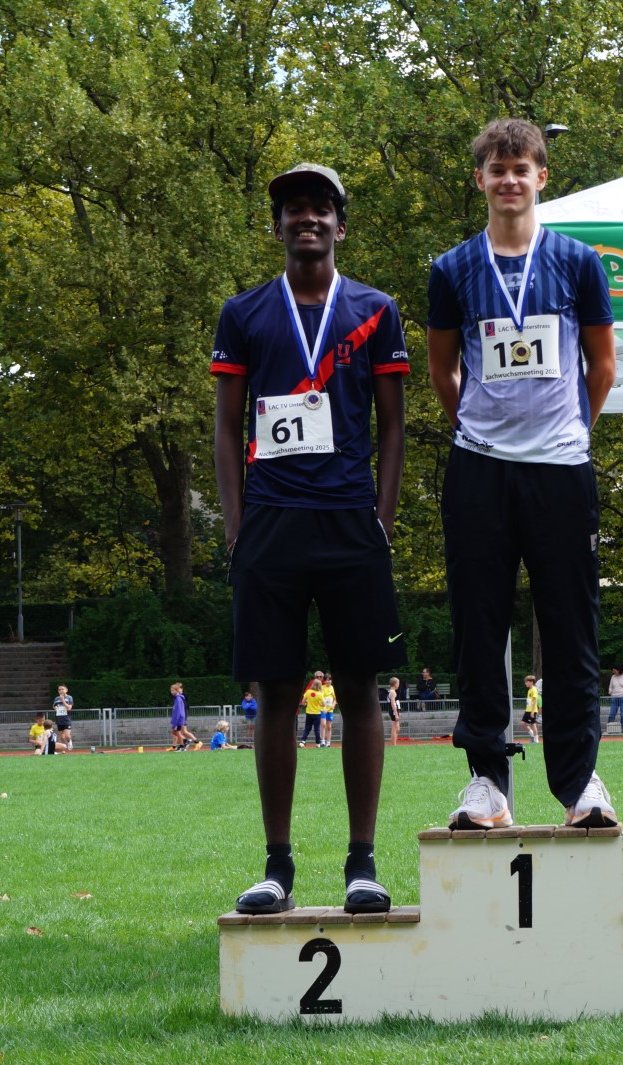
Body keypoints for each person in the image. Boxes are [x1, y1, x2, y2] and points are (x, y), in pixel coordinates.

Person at [211, 161, 408, 915]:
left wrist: (382, 518)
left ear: (340, 226)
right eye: (294, 208)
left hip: (350, 522)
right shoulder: (244, 313)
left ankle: (362, 863)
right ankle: (277, 866)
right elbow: (226, 427)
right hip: (271, 523)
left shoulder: (375, 309)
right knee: (276, 691)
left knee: (359, 688)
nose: (308, 218)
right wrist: (237, 524)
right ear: (277, 227)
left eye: (321, 208)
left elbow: (393, 425)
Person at [427, 117, 618, 830]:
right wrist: (482, 429)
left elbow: (602, 366)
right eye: (497, 168)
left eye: (521, 168)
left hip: (561, 467)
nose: (509, 179)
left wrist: (566, 432)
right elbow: (443, 370)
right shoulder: (452, 269)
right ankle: (487, 781)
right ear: (479, 179)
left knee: (572, 629)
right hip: (479, 467)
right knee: (478, 628)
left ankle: (579, 782)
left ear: (542, 176)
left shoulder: (577, 262)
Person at [170, 682, 200, 751]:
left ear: (177, 690)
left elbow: (180, 711)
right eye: (171, 690)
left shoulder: (179, 698)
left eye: (173, 690)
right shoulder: (177, 698)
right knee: (175, 732)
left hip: (180, 719)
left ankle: (184, 744)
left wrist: (177, 720)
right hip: (179, 719)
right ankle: (184, 742)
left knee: (178, 732)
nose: (171, 692)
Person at [299, 672, 325, 747]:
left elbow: (303, 702)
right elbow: (323, 704)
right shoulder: (320, 694)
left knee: (307, 728)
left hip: (309, 713)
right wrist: (319, 704)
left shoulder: (308, 692)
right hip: (317, 714)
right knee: (317, 729)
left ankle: (303, 741)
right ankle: (318, 743)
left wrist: (307, 703)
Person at [607, 665, 623, 730]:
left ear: (618, 669)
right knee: (612, 713)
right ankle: (609, 729)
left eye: (614, 670)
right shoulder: (613, 677)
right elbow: (610, 688)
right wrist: (611, 693)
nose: (613, 672)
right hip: (614, 697)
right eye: (613, 670)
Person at [520, 674, 542, 744]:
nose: (525, 683)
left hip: (532, 710)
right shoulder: (529, 690)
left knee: (533, 724)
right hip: (528, 710)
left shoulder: (534, 689)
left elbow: (535, 701)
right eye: (525, 682)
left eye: (527, 682)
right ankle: (532, 735)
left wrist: (532, 711)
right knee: (523, 723)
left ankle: (536, 740)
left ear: (531, 682)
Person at [52, 684, 74, 752]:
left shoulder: (69, 697)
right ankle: (62, 749)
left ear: (66, 690)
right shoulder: (56, 698)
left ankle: (69, 742)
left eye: (62, 689)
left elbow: (69, 708)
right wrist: (55, 708)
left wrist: (63, 700)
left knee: (67, 736)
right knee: (61, 736)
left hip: (66, 719)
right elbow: (54, 706)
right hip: (59, 719)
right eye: (59, 689)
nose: (61, 690)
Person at [319, 672, 337, 748]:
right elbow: (320, 698)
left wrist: (333, 705)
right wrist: (324, 707)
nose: (328, 681)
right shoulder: (322, 687)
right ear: (324, 681)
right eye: (326, 680)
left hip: (330, 710)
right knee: (323, 724)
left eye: (329, 680)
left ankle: (328, 742)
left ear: (331, 681)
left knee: (329, 726)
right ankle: (322, 741)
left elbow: (335, 699)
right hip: (323, 709)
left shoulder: (333, 688)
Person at [384, 676, 401, 745]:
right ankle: (394, 744)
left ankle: (394, 743)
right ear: (395, 684)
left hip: (395, 710)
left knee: (398, 728)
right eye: (398, 683)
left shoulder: (392, 691)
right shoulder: (392, 692)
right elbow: (393, 704)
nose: (399, 684)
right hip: (394, 711)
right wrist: (396, 714)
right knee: (395, 727)